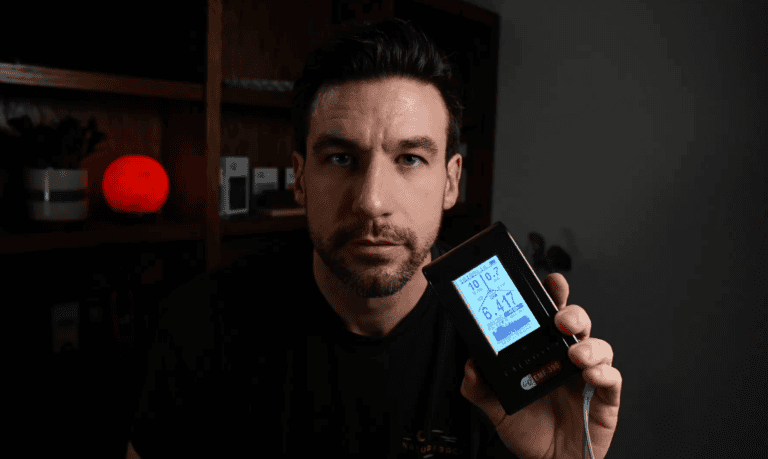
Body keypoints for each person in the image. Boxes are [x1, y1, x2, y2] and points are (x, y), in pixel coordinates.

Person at [128, 18, 621, 458]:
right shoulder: (199, 326)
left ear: (451, 181)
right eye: (341, 158)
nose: (371, 201)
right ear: (299, 179)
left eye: (410, 159)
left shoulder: (501, 364)